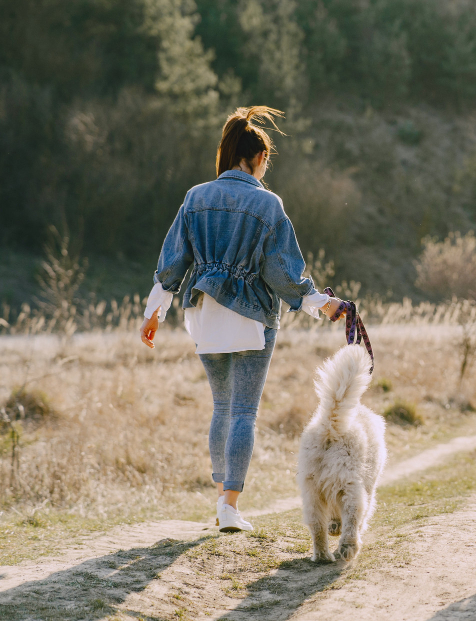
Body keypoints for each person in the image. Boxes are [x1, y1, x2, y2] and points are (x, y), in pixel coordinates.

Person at [138, 106, 343, 533]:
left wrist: (154, 313)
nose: (266, 167)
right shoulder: (267, 204)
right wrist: (321, 303)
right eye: (266, 159)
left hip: (204, 312)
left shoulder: (196, 197)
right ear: (256, 158)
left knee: (221, 407)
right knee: (244, 412)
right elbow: (283, 273)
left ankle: (221, 502)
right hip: (251, 316)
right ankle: (230, 507)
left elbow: (173, 260)